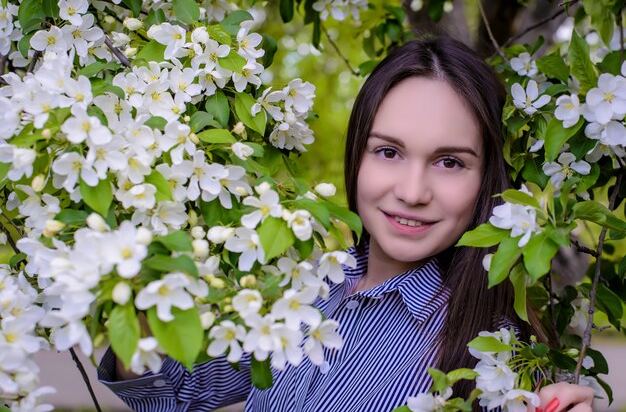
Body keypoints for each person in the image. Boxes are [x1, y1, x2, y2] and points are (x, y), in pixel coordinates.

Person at [98, 36, 594, 412]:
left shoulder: (496, 361)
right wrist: (140, 306)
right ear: (356, 157)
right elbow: (174, 394)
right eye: (388, 151)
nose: (413, 191)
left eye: (450, 162)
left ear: (486, 180)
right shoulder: (305, 287)